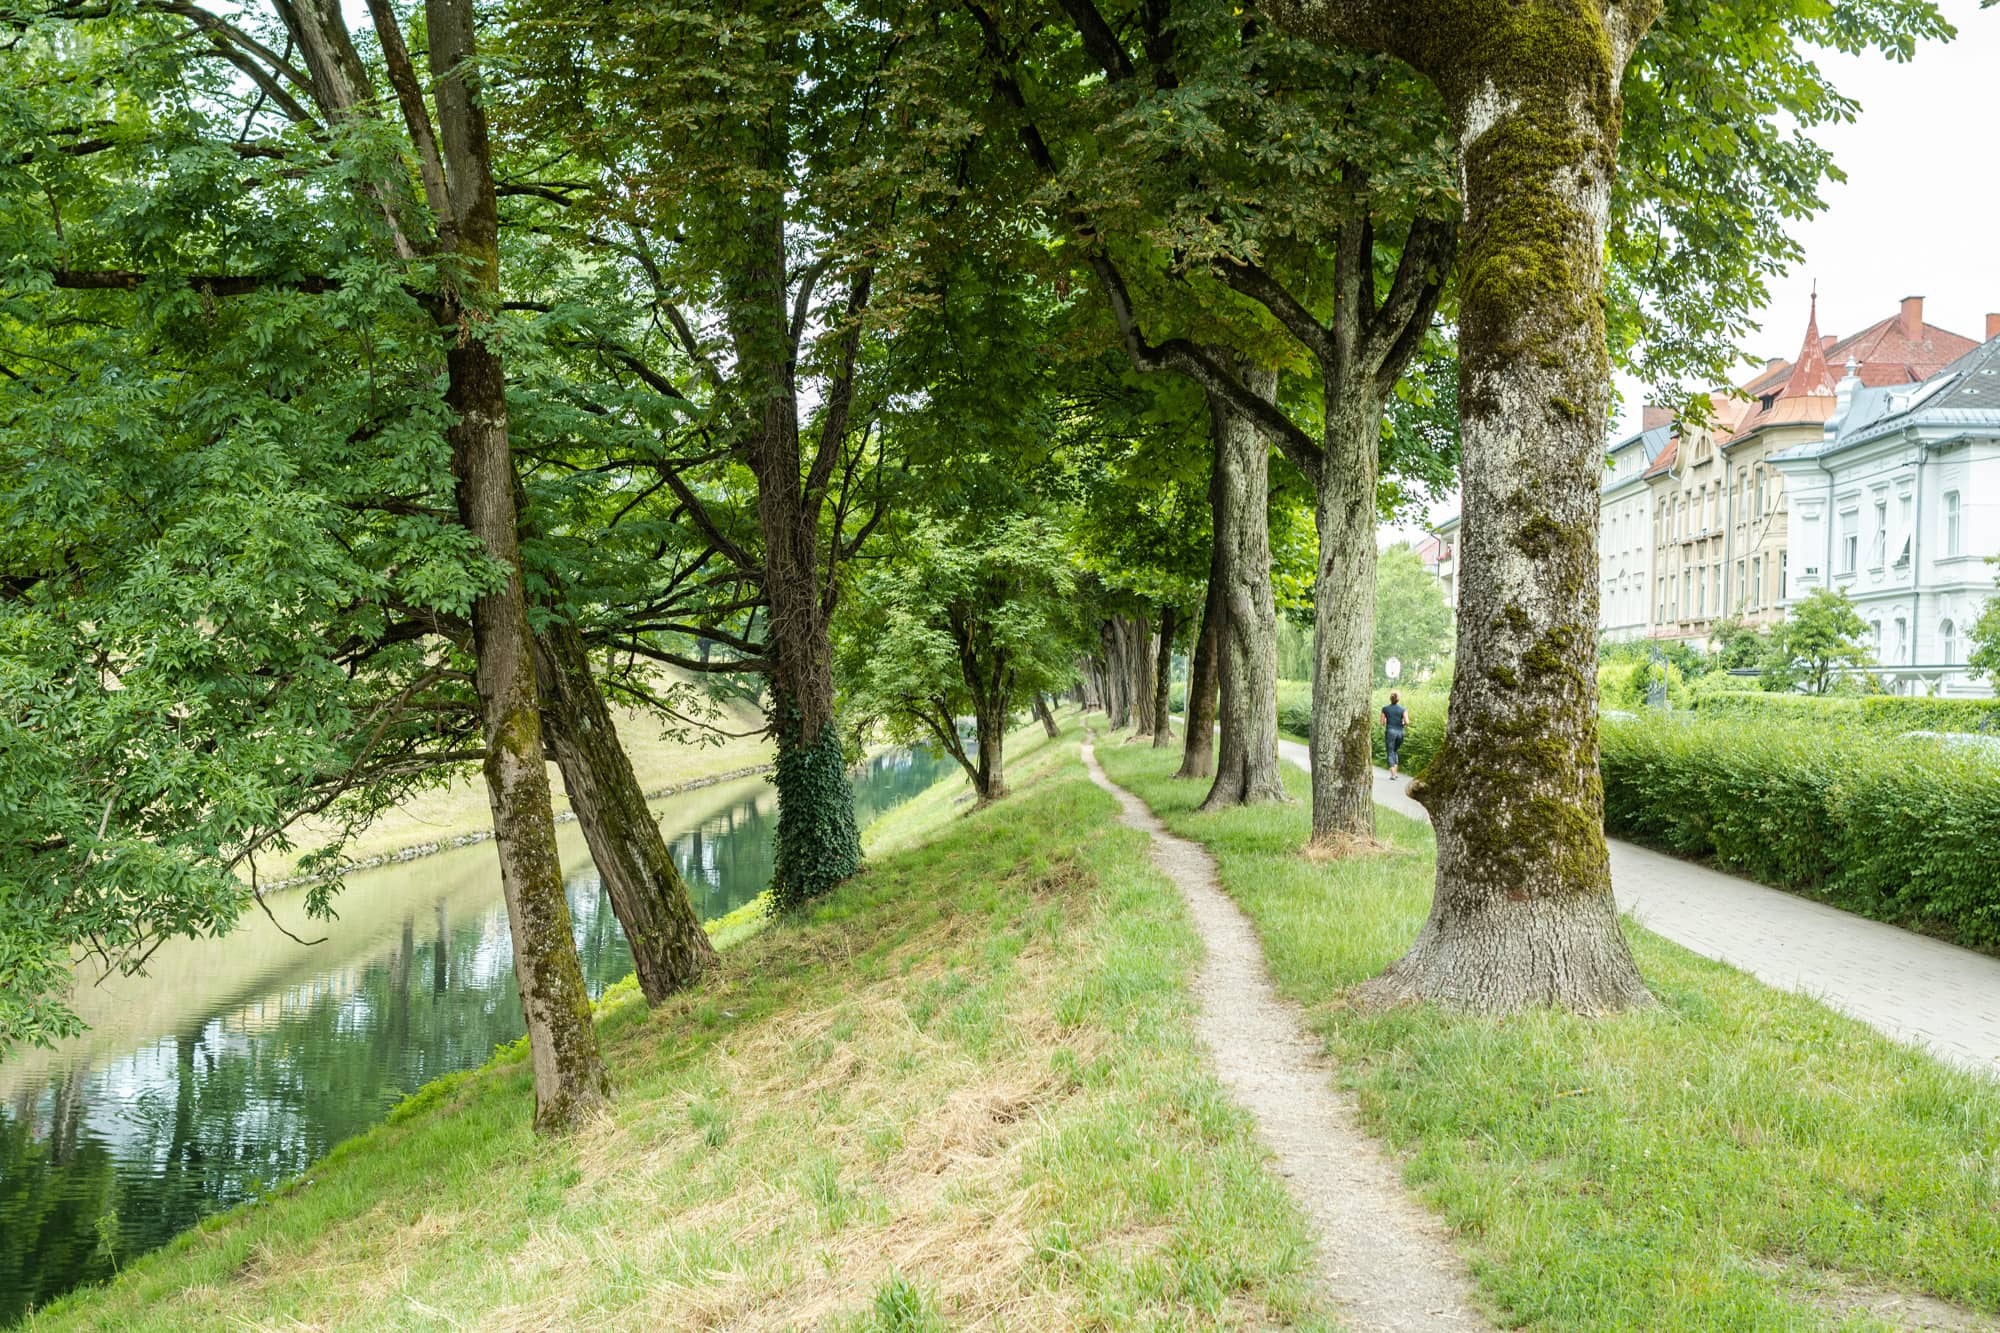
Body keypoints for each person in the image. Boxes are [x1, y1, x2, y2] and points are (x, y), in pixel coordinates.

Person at [1380, 692, 1408, 781]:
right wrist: (1401, 723)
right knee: (1395, 751)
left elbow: (1382, 722)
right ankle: (1395, 773)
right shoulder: (1403, 709)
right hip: (1400, 732)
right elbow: (1407, 722)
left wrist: (1387, 722)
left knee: (1390, 751)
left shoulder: (1385, 709)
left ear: (1390, 699)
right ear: (1398, 699)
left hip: (1390, 732)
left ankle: (1393, 775)